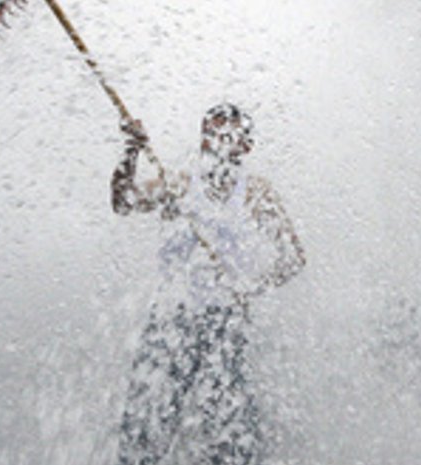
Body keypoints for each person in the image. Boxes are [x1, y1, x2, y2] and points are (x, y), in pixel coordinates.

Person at [112, 103, 306, 465]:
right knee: (146, 423)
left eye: (226, 133)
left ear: (245, 145)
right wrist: (132, 152)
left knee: (231, 432)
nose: (215, 140)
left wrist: (249, 288)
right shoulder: (179, 185)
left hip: (225, 321)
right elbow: (124, 203)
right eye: (210, 133)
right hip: (171, 319)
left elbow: (293, 257)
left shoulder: (256, 193)